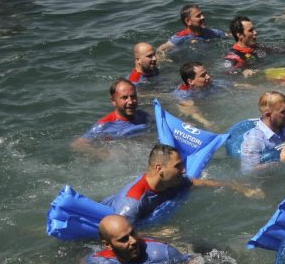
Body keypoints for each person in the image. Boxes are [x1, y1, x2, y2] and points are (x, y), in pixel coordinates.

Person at [103, 144, 259, 225]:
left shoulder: (172, 181)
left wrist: (234, 185)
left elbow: (200, 183)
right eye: (178, 166)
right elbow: (120, 235)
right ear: (160, 169)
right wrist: (161, 232)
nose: (184, 170)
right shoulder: (132, 202)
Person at [73, 79, 150, 149]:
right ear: (113, 101)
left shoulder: (143, 115)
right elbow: (77, 145)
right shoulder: (104, 125)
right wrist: (105, 155)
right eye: (124, 97)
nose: (130, 102)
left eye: (133, 96)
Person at [157, 4, 226, 57]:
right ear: (188, 21)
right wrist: (164, 59)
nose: (203, 17)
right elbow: (160, 50)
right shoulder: (181, 37)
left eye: (202, 14)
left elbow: (227, 36)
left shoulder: (213, 32)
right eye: (198, 16)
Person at [172, 62, 216, 127]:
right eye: (203, 75)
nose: (208, 76)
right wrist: (206, 123)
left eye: (206, 73)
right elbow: (191, 110)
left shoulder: (209, 83)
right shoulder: (184, 93)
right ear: (190, 81)